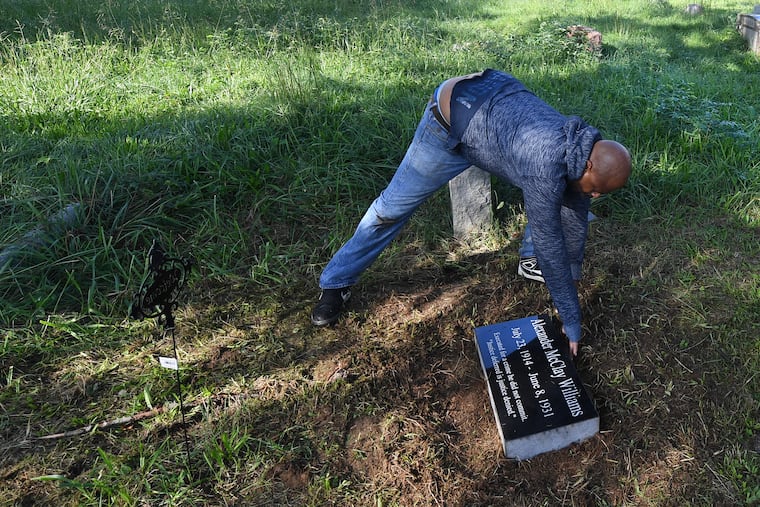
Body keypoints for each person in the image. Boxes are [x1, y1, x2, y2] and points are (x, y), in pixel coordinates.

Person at [310, 70, 632, 356]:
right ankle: (337, 282)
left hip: (494, 121)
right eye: (597, 188)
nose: (596, 195)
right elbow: (551, 240)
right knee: (391, 209)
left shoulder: (580, 146)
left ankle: (531, 261)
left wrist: (571, 279)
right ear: (589, 163)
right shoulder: (547, 162)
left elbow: (575, 215)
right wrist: (571, 317)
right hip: (449, 125)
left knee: (567, 194)